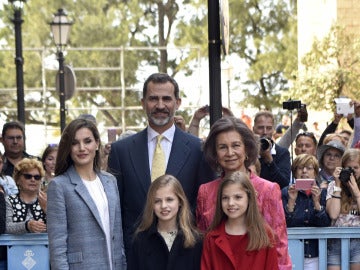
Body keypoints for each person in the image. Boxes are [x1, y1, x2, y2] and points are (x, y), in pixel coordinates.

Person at [107, 73, 215, 256]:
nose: (160, 105)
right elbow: (116, 212)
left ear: (177, 102)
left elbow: (204, 206)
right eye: (153, 99)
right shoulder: (121, 151)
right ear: (143, 103)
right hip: (137, 258)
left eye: (166, 99)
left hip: (185, 254)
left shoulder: (198, 150)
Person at [196, 116, 291, 269]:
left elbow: (279, 247)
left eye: (236, 145)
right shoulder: (206, 192)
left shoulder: (268, 190)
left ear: (246, 148)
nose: (230, 152)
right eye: (222, 147)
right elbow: (202, 246)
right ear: (215, 152)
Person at [47, 118, 126, 269]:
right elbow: (57, 246)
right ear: (68, 149)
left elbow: (118, 234)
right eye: (74, 143)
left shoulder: (110, 181)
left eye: (87, 141)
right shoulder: (59, 186)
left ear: (97, 144)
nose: (81, 148)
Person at [201, 171, 278, 269]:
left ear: (249, 198)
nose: (231, 203)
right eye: (225, 198)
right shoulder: (211, 237)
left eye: (238, 197)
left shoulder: (265, 235)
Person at [128, 175, 203, 270]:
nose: (163, 205)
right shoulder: (140, 240)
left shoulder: (195, 241)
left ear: (180, 201)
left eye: (169, 200)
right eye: (157, 201)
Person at [282, 154, 331, 269]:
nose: (304, 171)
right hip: (291, 252)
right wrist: (291, 202)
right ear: (294, 172)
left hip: (315, 253)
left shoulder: (323, 193)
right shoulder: (285, 192)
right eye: (300, 168)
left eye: (309, 168)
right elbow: (282, 224)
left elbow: (326, 224)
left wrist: (316, 203)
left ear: (315, 173)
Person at [326, 148, 360, 269]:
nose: (351, 172)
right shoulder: (333, 185)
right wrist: (338, 184)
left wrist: (357, 193)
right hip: (336, 242)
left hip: (358, 242)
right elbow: (334, 215)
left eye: (355, 168)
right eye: (348, 168)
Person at [5, 158, 46, 234]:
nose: (33, 180)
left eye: (37, 177)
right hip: (14, 245)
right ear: (17, 179)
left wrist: (48, 210)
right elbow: (6, 227)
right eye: (28, 176)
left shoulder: (47, 200)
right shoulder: (9, 200)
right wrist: (27, 225)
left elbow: (59, 227)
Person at [252, 111, 291, 189]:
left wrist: (269, 160)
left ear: (273, 130)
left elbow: (284, 183)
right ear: (253, 129)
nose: (265, 132)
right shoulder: (247, 152)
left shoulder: (282, 153)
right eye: (260, 128)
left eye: (269, 128)